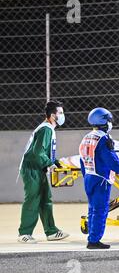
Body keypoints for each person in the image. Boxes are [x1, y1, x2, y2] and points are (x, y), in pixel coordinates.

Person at [17, 100, 69, 244]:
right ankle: (24, 233)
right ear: (53, 115)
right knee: (33, 199)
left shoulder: (48, 129)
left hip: (38, 167)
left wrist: (55, 162)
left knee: (46, 199)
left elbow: (43, 151)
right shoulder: (46, 129)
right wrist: (49, 164)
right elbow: (38, 152)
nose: (63, 115)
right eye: (60, 113)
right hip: (32, 169)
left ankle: (51, 231)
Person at [79, 108, 119, 249]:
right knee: (101, 210)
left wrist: (86, 175)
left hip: (89, 177)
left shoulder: (87, 137)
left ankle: (92, 237)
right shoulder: (103, 139)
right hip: (101, 179)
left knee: (92, 209)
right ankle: (94, 240)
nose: (110, 123)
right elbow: (110, 159)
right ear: (103, 122)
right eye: (109, 121)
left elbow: (82, 159)